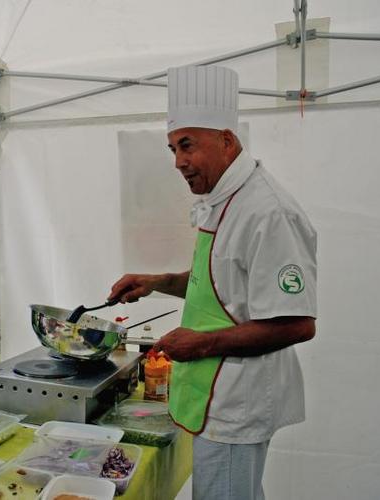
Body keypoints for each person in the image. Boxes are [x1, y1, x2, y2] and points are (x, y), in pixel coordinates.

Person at [109, 65, 317, 500]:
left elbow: (297, 324)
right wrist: (157, 281)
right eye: (172, 148)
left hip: (237, 401)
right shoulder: (222, 200)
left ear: (227, 140)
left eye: (187, 145)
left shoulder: (267, 212)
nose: (179, 161)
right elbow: (218, 284)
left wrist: (199, 343)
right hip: (214, 392)